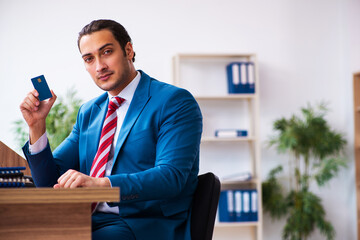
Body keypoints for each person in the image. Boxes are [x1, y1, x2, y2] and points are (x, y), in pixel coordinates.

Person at [20, 19, 202, 240]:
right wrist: (36, 127)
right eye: (89, 59)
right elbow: (49, 185)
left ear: (128, 50)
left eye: (106, 52)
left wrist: (102, 185)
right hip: (86, 221)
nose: (99, 66)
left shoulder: (173, 101)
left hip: (143, 225)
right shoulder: (89, 112)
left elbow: (170, 177)